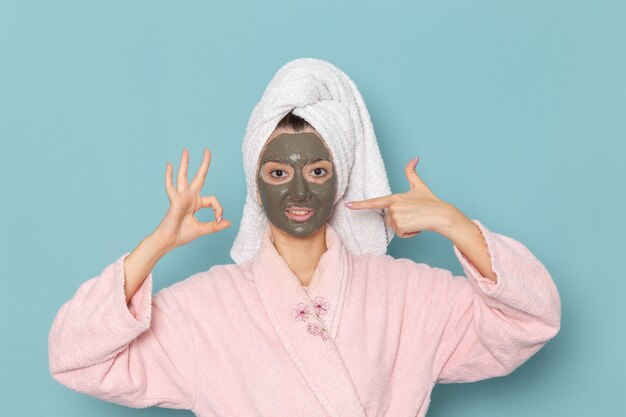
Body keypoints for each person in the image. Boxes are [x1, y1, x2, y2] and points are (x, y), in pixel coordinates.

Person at [48, 59, 561, 417]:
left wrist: (453, 222)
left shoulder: (405, 296)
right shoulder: (206, 310)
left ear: (341, 181)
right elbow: (75, 357)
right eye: (277, 174)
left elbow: (531, 318)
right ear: (255, 182)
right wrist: (156, 244)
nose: (298, 189)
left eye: (317, 171)